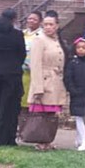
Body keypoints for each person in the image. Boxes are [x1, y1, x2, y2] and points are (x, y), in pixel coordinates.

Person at [0, 9, 26, 146]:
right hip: (12, 74)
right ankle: (9, 138)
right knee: (11, 107)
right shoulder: (17, 34)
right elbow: (22, 54)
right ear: (14, 19)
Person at [27, 13, 67, 151]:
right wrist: (38, 87)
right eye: (46, 24)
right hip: (44, 81)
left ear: (57, 26)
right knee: (42, 114)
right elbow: (35, 64)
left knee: (51, 114)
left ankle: (48, 140)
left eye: (51, 24)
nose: (48, 27)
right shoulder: (39, 40)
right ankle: (40, 140)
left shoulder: (56, 40)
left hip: (55, 81)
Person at [64, 38, 85, 151]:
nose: (81, 50)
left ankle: (79, 138)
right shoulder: (72, 63)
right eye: (78, 47)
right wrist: (73, 90)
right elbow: (68, 78)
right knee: (79, 116)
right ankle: (84, 140)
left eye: (84, 48)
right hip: (77, 94)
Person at [21, 11, 43, 109]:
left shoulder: (42, 35)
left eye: (34, 19)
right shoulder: (22, 33)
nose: (31, 21)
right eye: (30, 18)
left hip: (35, 70)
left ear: (40, 22)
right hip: (22, 69)